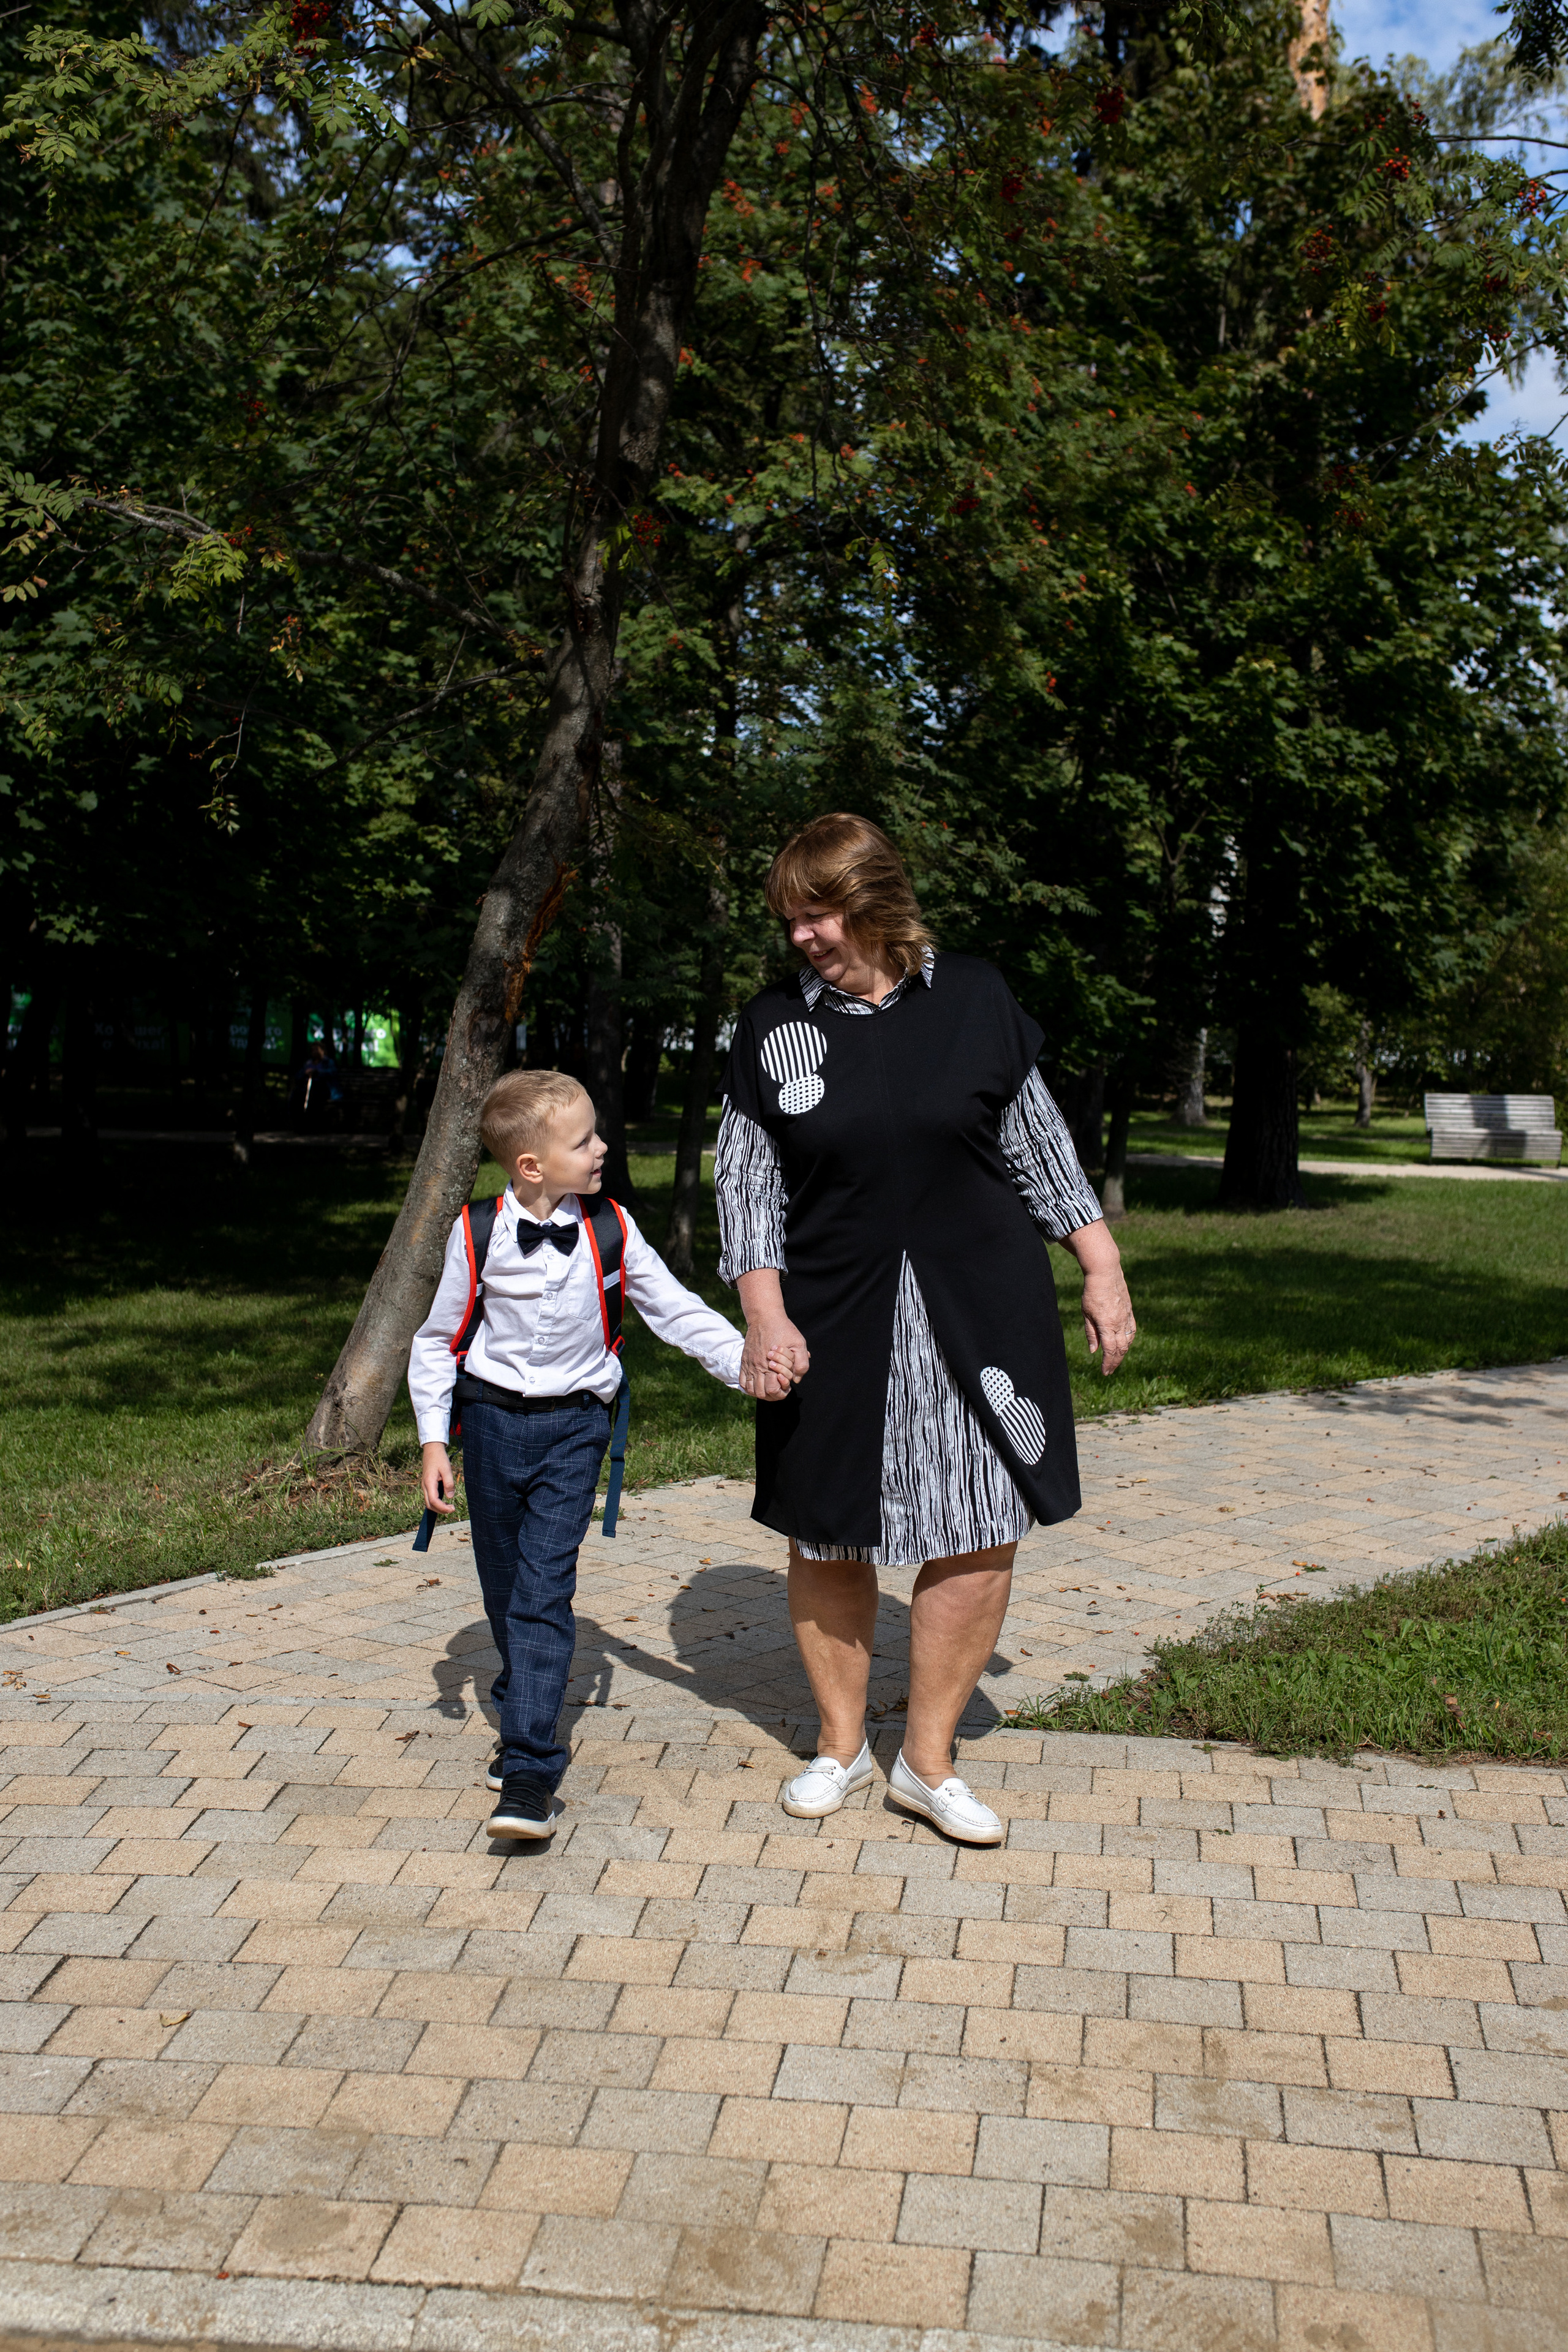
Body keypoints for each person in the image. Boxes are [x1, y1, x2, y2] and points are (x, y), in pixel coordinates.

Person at [715, 813, 1137, 1845]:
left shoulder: (978, 998)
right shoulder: (772, 1027)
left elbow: (1041, 1148)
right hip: (832, 1313)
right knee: (828, 1525)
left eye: (819, 915)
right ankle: (839, 1744)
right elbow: (747, 1188)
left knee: (983, 1522)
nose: (803, 936)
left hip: (981, 1307)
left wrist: (1102, 1266)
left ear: (876, 904)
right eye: (792, 919)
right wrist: (763, 1316)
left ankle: (928, 1762)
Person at [409, 1069, 747, 1839]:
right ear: (532, 1165)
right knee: (503, 1584)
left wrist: (748, 1365)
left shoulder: (614, 1228)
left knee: (541, 1591)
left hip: (576, 1431)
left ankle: (530, 1767)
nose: (602, 1148)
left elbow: (675, 1311)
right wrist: (434, 1440)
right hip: (491, 1425)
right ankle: (519, 1693)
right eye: (584, 1139)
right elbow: (435, 1342)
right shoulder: (477, 1232)